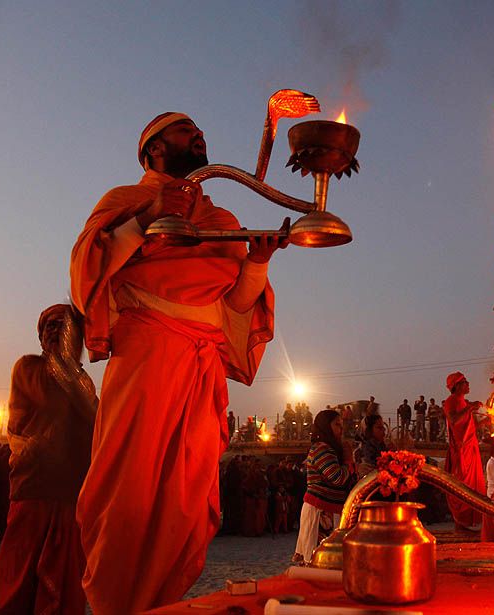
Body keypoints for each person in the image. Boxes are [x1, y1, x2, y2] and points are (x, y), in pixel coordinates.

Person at [69, 112, 287, 614]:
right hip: (147, 350)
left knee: (186, 501)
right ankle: (110, 603)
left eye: (200, 130)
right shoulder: (125, 200)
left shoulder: (223, 220)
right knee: (128, 484)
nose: (200, 135)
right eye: (185, 130)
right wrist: (148, 217)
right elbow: (87, 268)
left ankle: (156, 602)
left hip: (202, 361)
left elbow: (234, 306)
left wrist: (257, 261)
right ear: (153, 149)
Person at [0, 304, 97, 615]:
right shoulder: (29, 368)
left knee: (65, 586)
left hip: (72, 494)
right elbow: (56, 408)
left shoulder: (83, 383)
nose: (53, 331)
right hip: (32, 488)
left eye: (62, 326)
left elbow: (99, 430)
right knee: (18, 580)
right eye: (48, 326)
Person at [293, 410, 355, 565]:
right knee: (319, 561)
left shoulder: (332, 449)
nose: (341, 429)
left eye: (341, 425)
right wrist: (348, 460)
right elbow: (337, 478)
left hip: (333, 510)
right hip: (320, 512)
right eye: (336, 425)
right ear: (325, 427)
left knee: (332, 562)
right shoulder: (321, 448)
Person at [443, 372, 485, 531]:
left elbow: (470, 427)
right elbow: (454, 420)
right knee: (463, 485)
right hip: (460, 451)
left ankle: (470, 523)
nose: (468, 384)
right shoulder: (450, 402)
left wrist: (486, 421)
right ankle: (461, 523)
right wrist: (469, 408)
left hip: (470, 448)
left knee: (475, 485)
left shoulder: (464, 402)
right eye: (465, 382)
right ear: (457, 386)